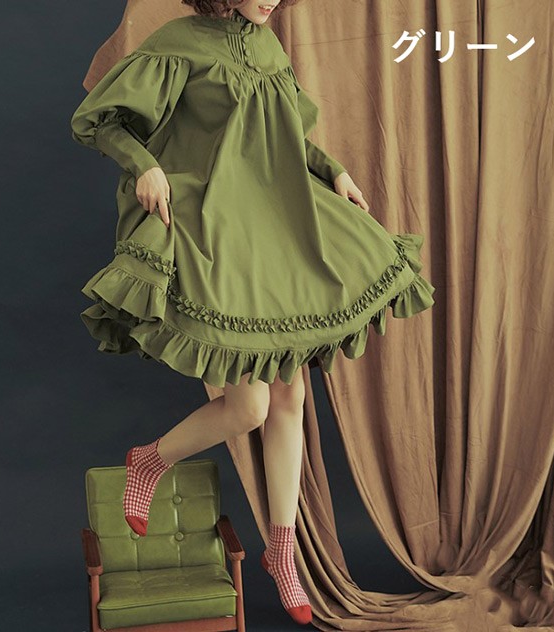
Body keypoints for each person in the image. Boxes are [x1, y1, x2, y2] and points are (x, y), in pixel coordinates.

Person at [69, 0, 436, 625]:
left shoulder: (268, 46)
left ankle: (282, 552)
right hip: (213, 233)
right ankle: (150, 460)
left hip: (276, 226)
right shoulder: (179, 42)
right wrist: (146, 166)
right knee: (250, 407)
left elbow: (283, 137)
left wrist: (335, 171)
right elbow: (103, 122)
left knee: (290, 398)